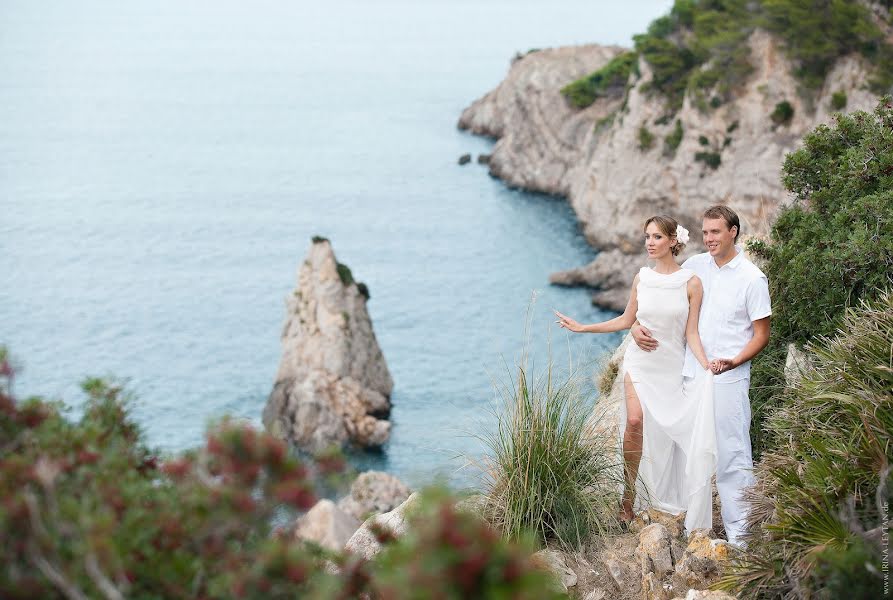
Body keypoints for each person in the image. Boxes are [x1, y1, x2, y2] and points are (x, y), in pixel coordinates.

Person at [555, 215, 717, 534]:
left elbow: (693, 334)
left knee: (669, 434)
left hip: (671, 367)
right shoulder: (641, 278)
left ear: (673, 241)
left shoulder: (691, 283)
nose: (649, 243)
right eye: (647, 237)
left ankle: (663, 494)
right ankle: (627, 497)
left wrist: (707, 364)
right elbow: (627, 318)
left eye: (656, 237)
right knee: (634, 421)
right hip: (640, 362)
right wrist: (584, 326)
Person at [631, 205, 771, 547]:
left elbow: (762, 334)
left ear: (733, 232)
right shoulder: (693, 268)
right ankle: (687, 521)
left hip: (727, 380)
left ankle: (742, 539)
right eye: (705, 232)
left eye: (716, 232)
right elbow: (651, 303)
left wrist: (734, 361)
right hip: (689, 375)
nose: (708, 238)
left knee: (731, 455)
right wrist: (634, 326)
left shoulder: (752, 278)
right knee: (685, 450)